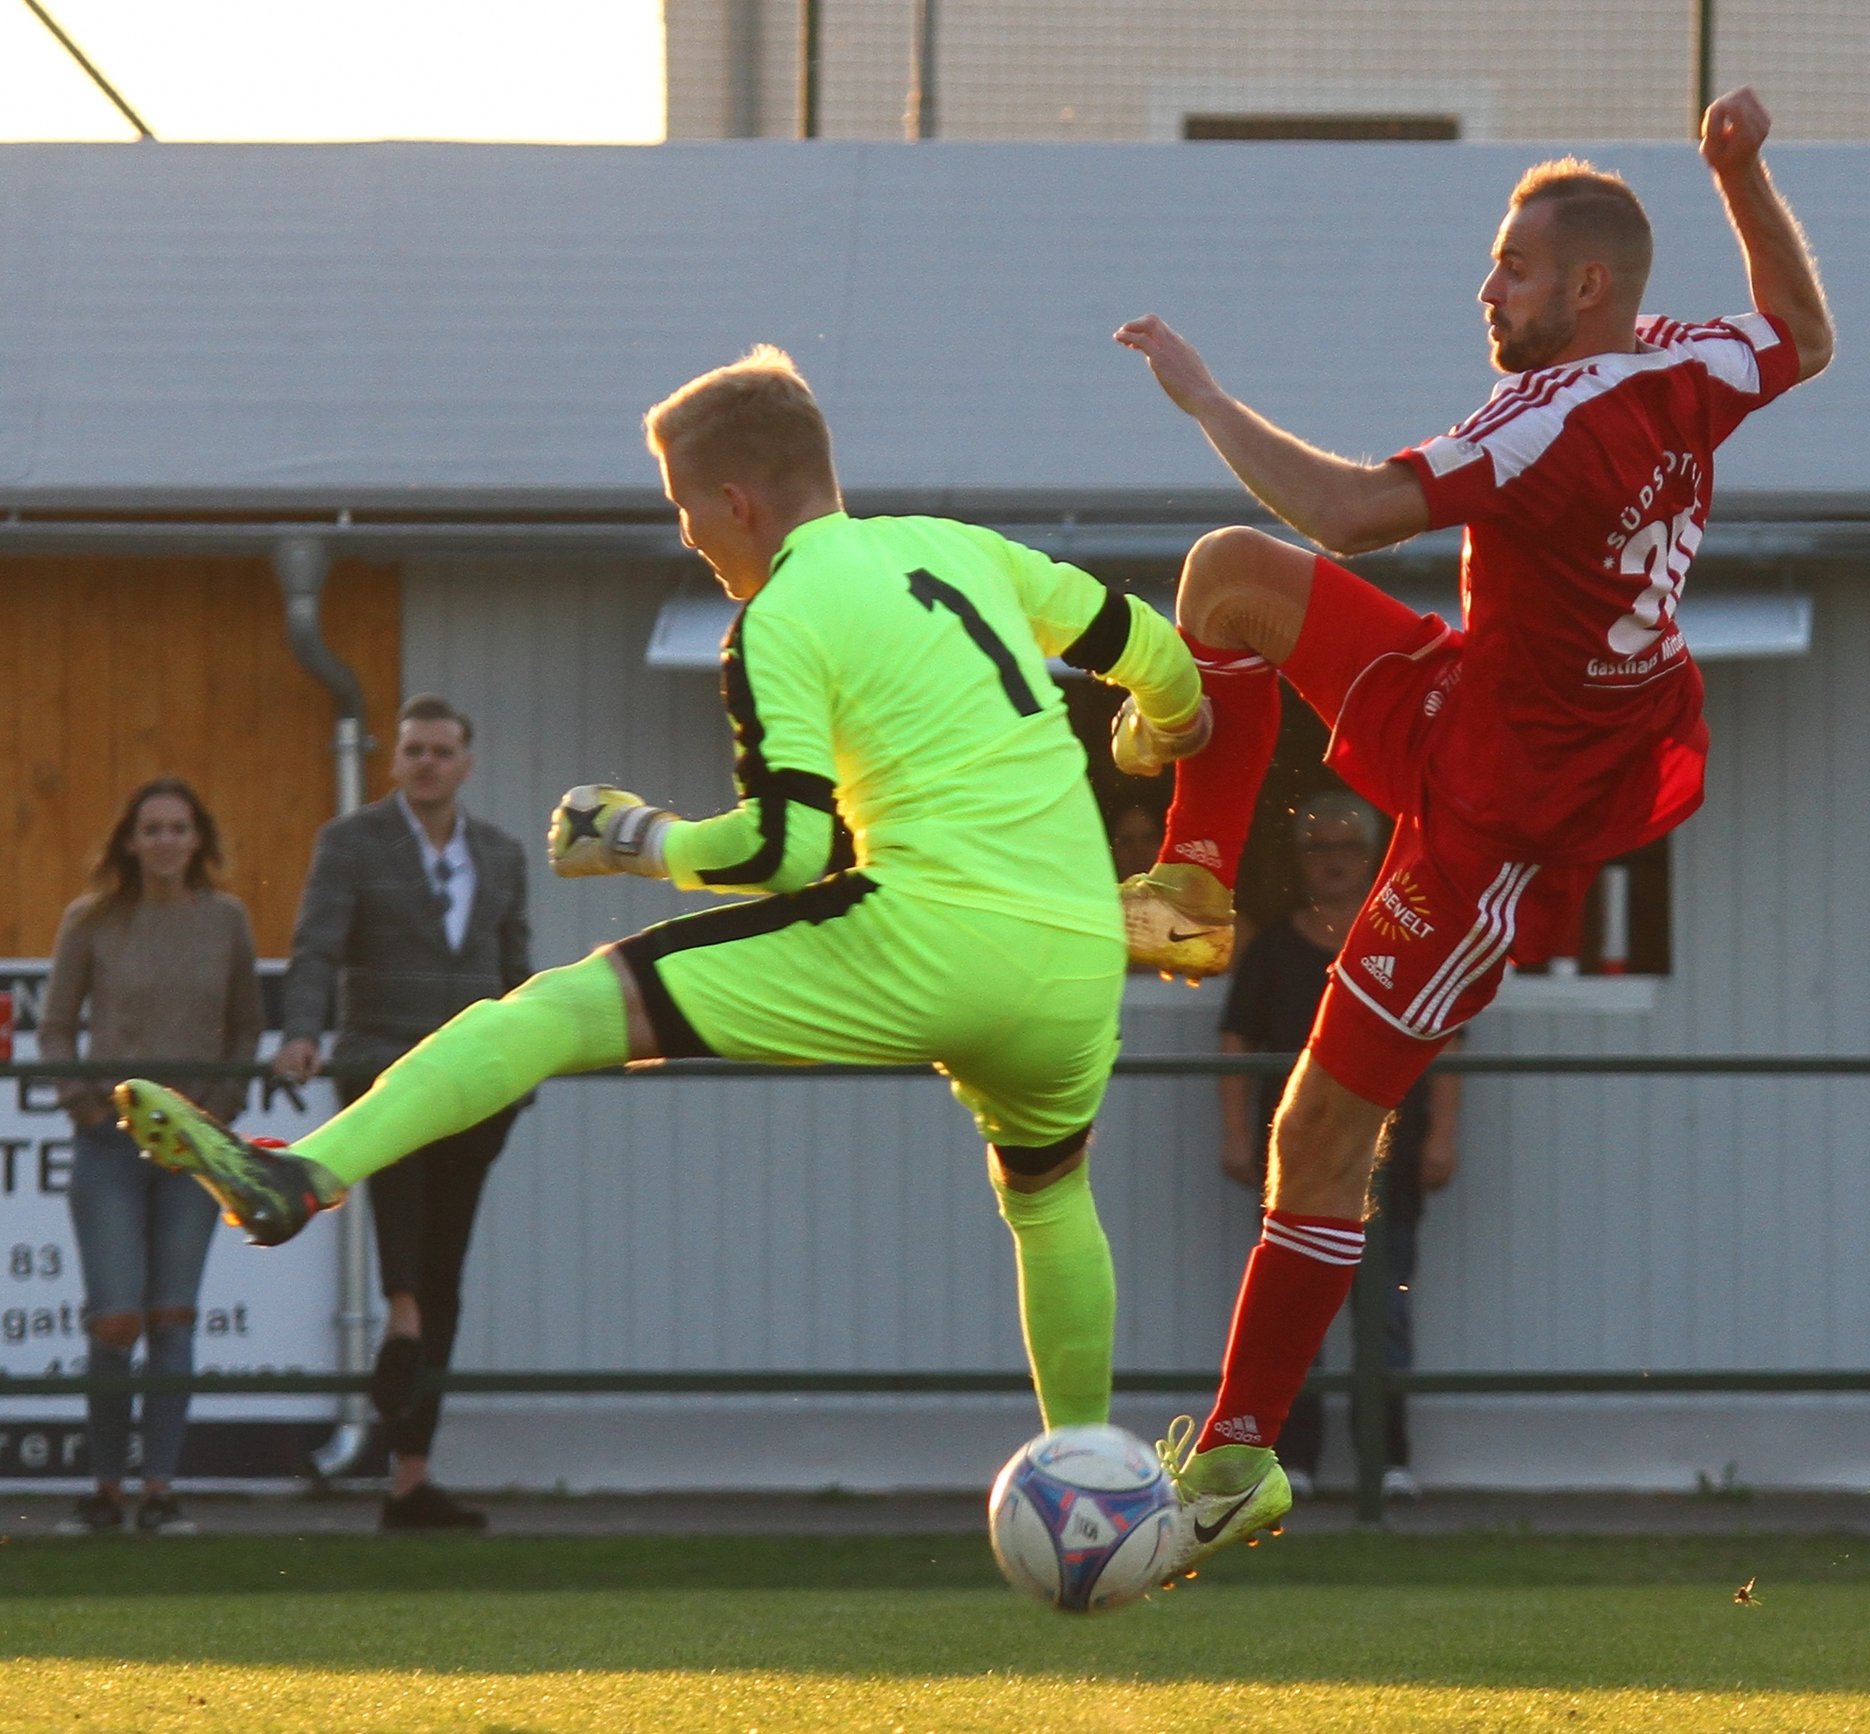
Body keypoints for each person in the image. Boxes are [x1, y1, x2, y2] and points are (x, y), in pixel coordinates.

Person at [116, 344, 1204, 1456]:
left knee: (551, 1014)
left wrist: (640, 838)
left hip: (930, 941)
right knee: (1048, 1199)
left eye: (685, 507)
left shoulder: (777, 618)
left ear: (735, 502)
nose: (685, 533)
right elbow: (1164, 661)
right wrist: (1156, 733)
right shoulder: (964, 551)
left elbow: (790, 852)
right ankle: (1089, 1474)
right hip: (1077, 961)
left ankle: (304, 1172)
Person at [1112, 87, 1833, 1569]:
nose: (1485, 286)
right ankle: (1191, 876)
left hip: (1489, 831)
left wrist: (1200, 393)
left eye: (1509, 265)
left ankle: (1239, 1455)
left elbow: (1353, 511)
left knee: (1317, 1134)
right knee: (1223, 575)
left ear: (1584, 287)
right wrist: (1742, 176)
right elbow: (1802, 335)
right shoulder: (1685, 365)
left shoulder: (1543, 417)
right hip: (1463, 698)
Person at [269, 694, 532, 1531]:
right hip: (383, 1064)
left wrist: (531, 1062)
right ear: (395, 762)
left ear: (466, 762)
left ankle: (410, 1479)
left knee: (446, 1267)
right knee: (406, 1229)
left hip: (478, 1080)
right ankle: (401, 1315)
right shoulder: (350, 843)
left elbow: (516, 965)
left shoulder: (501, 852)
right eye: (414, 749)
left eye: (441, 750)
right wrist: (303, 1030)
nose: (426, 762)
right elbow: (315, 947)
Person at [1217, 792, 1460, 1500]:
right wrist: (1236, 1135)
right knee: (1297, 1315)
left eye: (1348, 847)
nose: (1333, 861)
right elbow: (1236, 1041)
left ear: (1373, 856)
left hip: (1391, 1162)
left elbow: (1447, 1037)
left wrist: (1443, 1133)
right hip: (1298, 1166)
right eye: (1318, 847)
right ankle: (1290, 1462)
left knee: (1385, 1311)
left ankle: (1386, 1463)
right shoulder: (1273, 950)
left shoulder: (1405, 939)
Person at [39, 778, 262, 1536]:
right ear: (129, 842)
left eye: (178, 829)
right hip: (108, 1142)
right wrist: (84, 1105)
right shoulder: (90, 920)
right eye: (151, 830)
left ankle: (161, 1491)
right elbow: (56, 1027)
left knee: (173, 1317)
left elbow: (245, 1029)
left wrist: (218, 1117)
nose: (165, 842)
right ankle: (103, 1490)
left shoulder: (227, 920)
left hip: (191, 1149)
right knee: (114, 1321)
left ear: (197, 839)